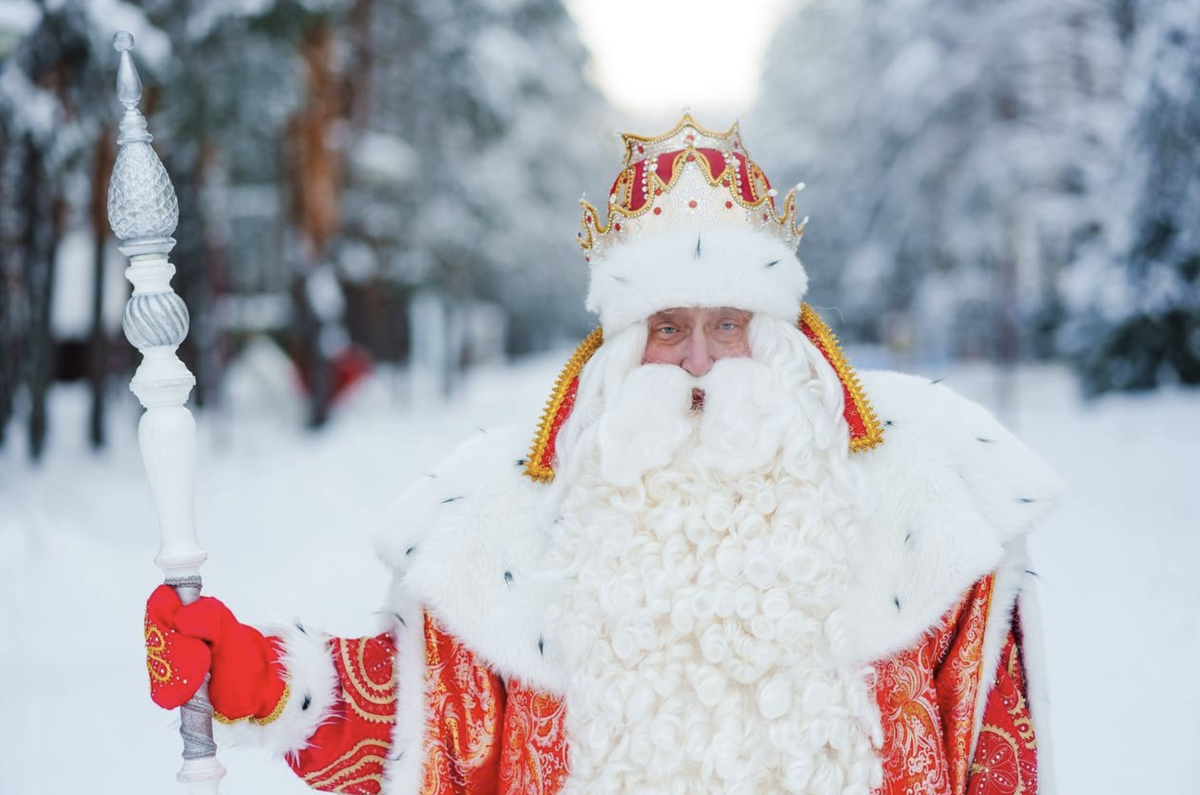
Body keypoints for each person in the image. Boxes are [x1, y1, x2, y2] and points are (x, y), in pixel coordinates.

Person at [144, 115, 1061, 795]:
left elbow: (999, 757)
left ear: (781, 334)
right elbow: (422, 725)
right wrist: (269, 678)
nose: (700, 361)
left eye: (728, 324)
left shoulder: (923, 503)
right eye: (668, 326)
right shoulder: (513, 512)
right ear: (620, 345)